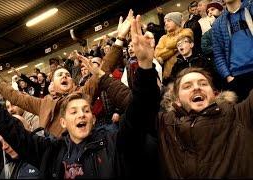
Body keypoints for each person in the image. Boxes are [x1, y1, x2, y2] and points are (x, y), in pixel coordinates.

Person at [0, 15, 161, 178]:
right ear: (63, 122)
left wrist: (124, 46)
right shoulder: (46, 128)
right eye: (59, 75)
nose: (81, 114)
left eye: (85, 110)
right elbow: (14, 118)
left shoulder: (110, 140)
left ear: (92, 117)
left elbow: (135, 107)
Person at [99, 14, 253, 178]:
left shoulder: (240, 116)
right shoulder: (165, 125)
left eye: (202, 83)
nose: (196, 88)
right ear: (176, 99)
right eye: (187, 86)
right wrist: (144, 65)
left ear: (215, 94)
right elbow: (138, 106)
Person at [211, 0, 253, 101]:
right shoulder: (218, 24)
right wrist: (228, 76)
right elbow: (218, 53)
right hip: (237, 76)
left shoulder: (250, 8)